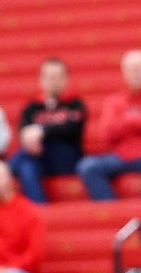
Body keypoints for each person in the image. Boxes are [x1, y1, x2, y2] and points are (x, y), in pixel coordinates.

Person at [78, 49, 141, 201]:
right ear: (124, 73)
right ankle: (114, 212)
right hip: (120, 156)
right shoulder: (114, 101)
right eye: (132, 70)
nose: (136, 74)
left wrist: (127, 121)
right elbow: (107, 133)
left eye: (140, 69)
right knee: (87, 166)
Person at [10, 57, 87, 203]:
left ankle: (4, 171)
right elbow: (22, 131)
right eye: (49, 77)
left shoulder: (75, 105)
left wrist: (42, 132)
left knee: (22, 161)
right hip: (36, 157)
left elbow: (71, 129)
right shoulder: (32, 107)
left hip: (65, 158)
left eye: (58, 77)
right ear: (41, 79)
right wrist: (30, 139)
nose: (53, 81)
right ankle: (40, 211)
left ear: (66, 79)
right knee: (27, 167)